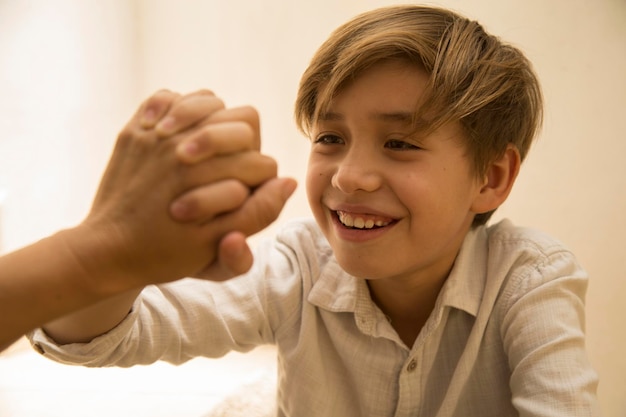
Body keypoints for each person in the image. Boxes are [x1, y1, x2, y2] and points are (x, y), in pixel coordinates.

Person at [27, 5, 600, 416]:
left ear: (491, 178)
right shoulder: (298, 264)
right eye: (330, 137)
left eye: (400, 144)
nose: (349, 175)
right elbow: (100, 338)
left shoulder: (530, 280)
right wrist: (120, 250)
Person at [0, 89, 297, 352]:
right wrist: (109, 251)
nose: (345, 177)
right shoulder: (293, 272)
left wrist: (100, 251)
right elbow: (87, 337)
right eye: (330, 138)